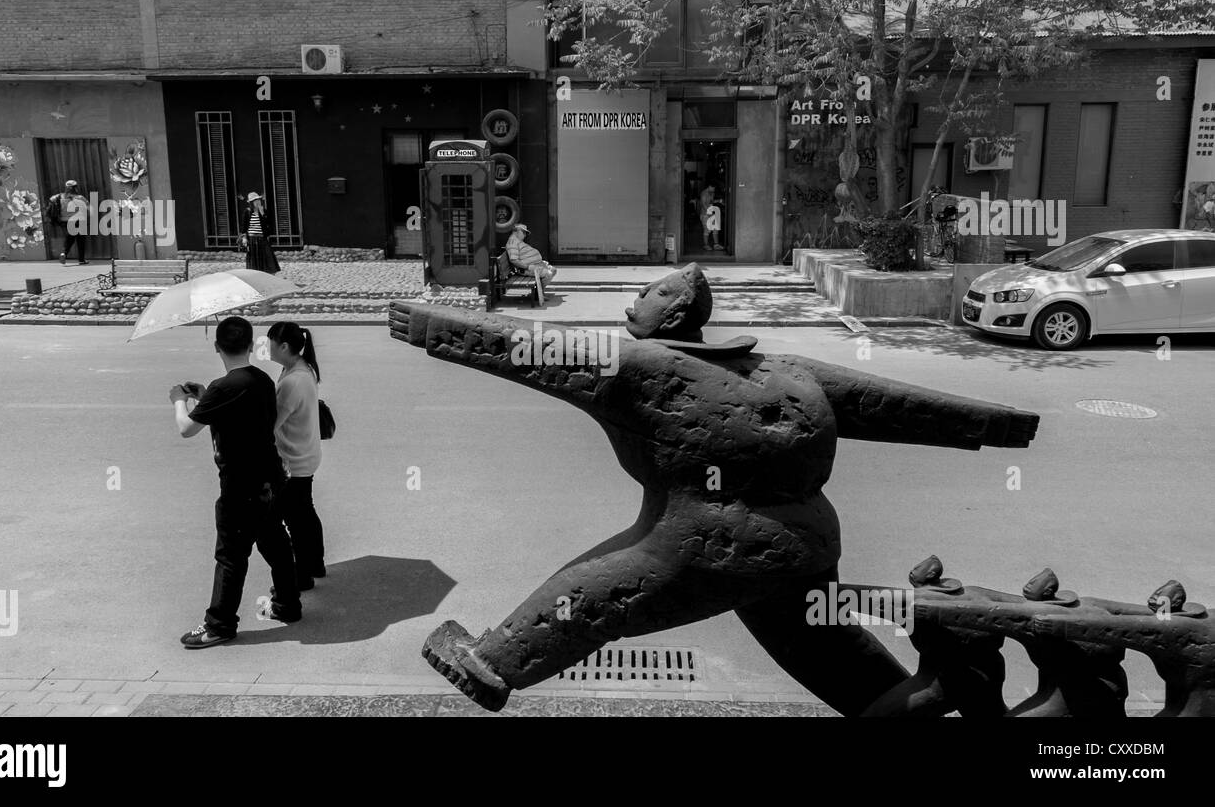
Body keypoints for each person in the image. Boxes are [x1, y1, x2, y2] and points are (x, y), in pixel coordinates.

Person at [390, 263, 1039, 713]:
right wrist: (997, 426)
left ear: (672, 309)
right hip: (807, 543)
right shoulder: (784, 368)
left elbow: (522, 347)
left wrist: (425, 325)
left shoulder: (641, 367)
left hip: (707, 540)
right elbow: (892, 405)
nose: (628, 305)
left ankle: (494, 663)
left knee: (596, 593)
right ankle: (937, 690)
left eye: (643, 295)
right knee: (841, 663)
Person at [171, 316, 301, 648]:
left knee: (231, 556)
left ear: (217, 347)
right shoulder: (261, 379)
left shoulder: (223, 387)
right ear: (250, 344)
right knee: (275, 543)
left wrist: (178, 400)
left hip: (240, 487)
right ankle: (288, 604)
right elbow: (239, 415)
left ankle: (219, 625)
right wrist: (206, 397)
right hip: (271, 479)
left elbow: (186, 429)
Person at [267, 321, 325, 591]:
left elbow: (271, 424)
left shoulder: (292, 381)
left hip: (293, 459)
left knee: (292, 521)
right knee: (304, 512)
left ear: (284, 346)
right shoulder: (302, 368)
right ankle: (315, 563)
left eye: (270, 343)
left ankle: (301, 575)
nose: (266, 347)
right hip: (307, 452)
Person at [47, 180, 88, 265]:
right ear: (75, 188)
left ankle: (64, 253)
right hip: (78, 221)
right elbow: (87, 207)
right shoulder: (80, 198)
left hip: (65, 222)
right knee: (81, 240)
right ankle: (81, 259)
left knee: (70, 238)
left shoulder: (59, 197)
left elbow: (51, 201)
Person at [240, 191, 280, 274]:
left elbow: (269, 223)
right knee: (254, 258)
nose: (257, 202)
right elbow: (244, 227)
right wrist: (244, 238)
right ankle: (255, 274)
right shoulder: (247, 212)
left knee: (268, 256)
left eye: (258, 200)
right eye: (255, 200)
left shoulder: (264, 211)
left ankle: (270, 273)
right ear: (251, 203)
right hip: (251, 238)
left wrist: (263, 214)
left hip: (262, 237)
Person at [698, 184, 723, 250]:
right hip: (705, 214)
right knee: (707, 230)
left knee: (715, 229)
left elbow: (711, 202)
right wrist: (709, 212)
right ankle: (706, 245)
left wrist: (718, 201)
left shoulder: (712, 193)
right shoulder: (704, 193)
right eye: (713, 188)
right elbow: (703, 204)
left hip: (711, 213)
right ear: (709, 186)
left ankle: (716, 245)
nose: (714, 190)